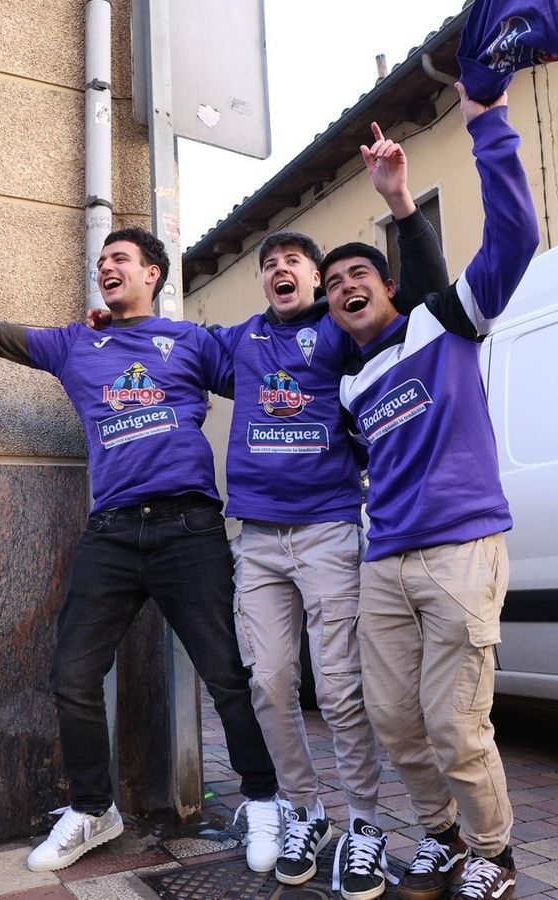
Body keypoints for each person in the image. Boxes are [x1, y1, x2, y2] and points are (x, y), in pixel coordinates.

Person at [0, 211, 282, 873]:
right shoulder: (77, 344)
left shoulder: (189, 341)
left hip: (187, 528)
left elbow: (266, 374)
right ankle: (92, 809)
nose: (108, 268)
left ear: (153, 274)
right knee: (73, 674)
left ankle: (265, 801)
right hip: (111, 532)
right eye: (102, 262)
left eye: (121, 260)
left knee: (226, 674)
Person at [209, 125, 449, 886]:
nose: (281, 269)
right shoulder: (241, 340)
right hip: (256, 541)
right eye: (270, 264)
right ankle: (304, 812)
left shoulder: (341, 333)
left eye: (294, 262)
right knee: (270, 683)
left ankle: (365, 823)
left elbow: (411, 304)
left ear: (317, 281)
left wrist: (401, 204)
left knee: (341, 689)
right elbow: (172, 352)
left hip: (327, 533)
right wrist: (113, 329)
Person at [321, 81, 541, 900]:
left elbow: (515, 238)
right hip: (387, 563)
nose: (345, 285)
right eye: (333, 282)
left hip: (460, 549)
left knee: (456, 725)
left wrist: (486, 126)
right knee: (397, 725)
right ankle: (442, 838)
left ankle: (495, 852)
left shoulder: (444, 323)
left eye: (358, 273)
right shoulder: (348, 388)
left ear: (386, 287)